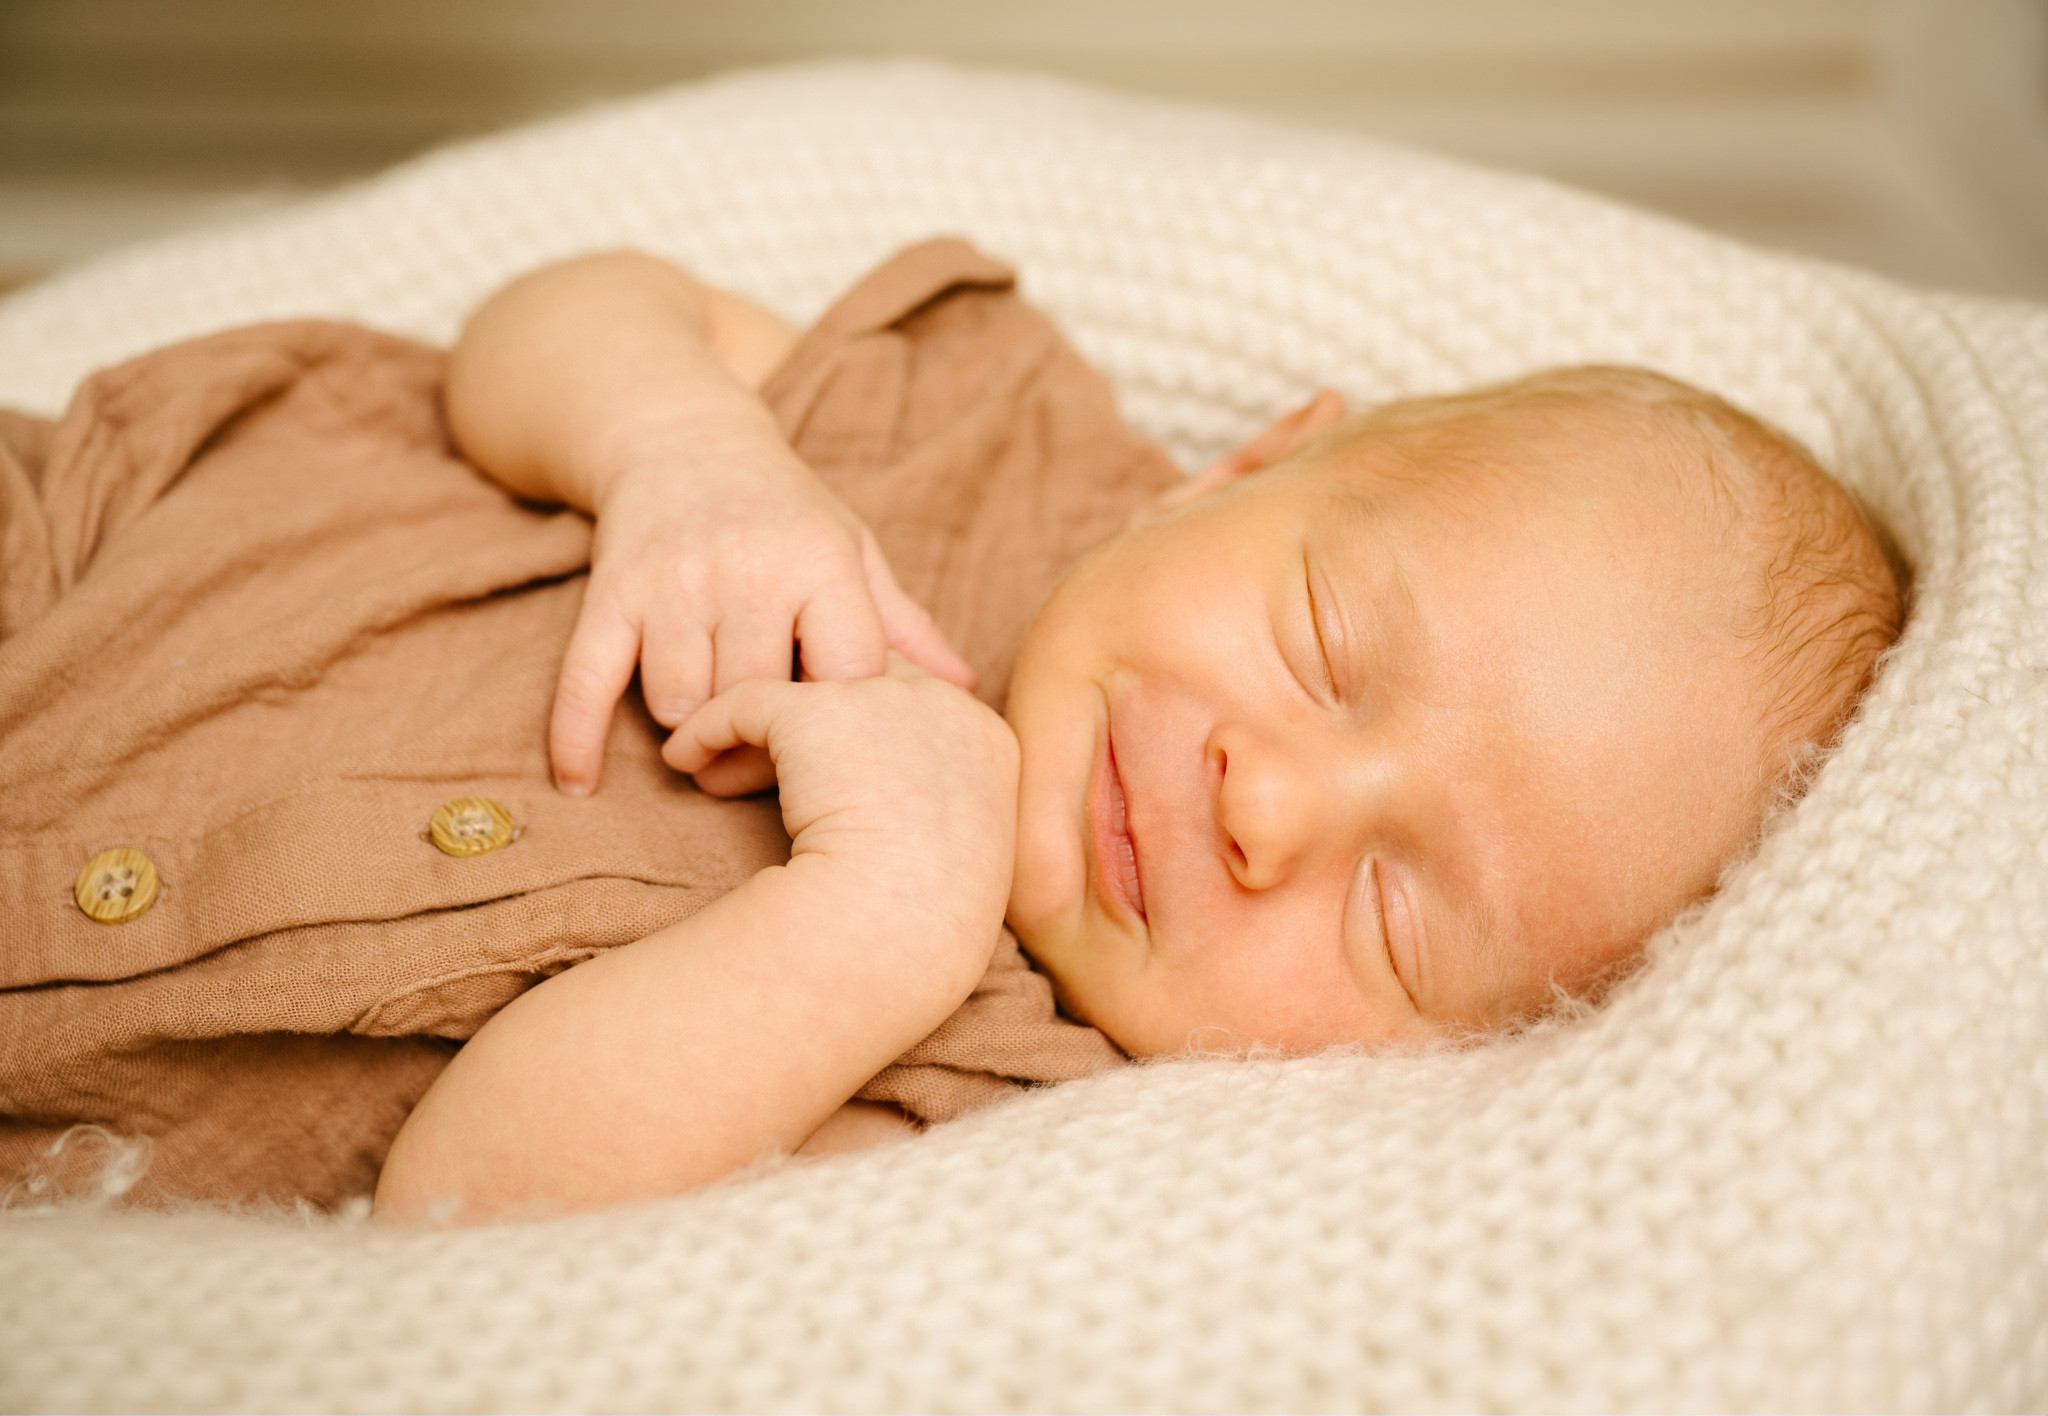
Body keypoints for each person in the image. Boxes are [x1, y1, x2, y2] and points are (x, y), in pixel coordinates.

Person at [0, 240, 1901, 1222]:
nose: (1275, 808)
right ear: (1260, 459)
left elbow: (477, 1214)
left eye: (1400, 920)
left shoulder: (1016, 1117)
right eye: (1329, 641)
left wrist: (881, 914)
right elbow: (547, 328)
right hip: (91, 545)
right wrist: (684, 446)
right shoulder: (964, 426)